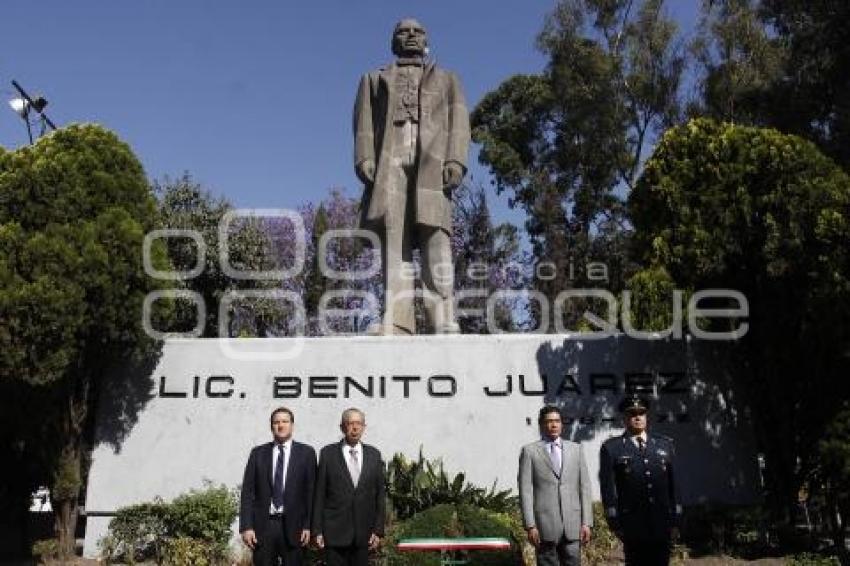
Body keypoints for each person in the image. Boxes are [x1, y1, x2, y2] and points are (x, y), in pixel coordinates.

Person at [353, 17, 470, 335]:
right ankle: (397, 320)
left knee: (436, 239)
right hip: (390, 161)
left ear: (426, 40)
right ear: (393, 41)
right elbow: (363, 122)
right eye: (403, 32)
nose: (411, 36)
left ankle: (442, 317)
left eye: (418, 32)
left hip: (431, 163)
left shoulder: (447, 79)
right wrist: (364, 156)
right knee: (395, 243)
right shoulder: (373, 79)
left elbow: (459, 122)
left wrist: (456, 160)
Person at [599, 395, 683, 566]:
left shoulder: (664, 444)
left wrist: (676, 519)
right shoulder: (612, 448)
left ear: (646, 416)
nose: (637, 417)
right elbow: (608, 487)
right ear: (624, 418)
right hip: (632, 523)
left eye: (641, 413)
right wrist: (614, 521)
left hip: (662, 520)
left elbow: (674, 485)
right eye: (632, 414)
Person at [239, 407, 317, 566]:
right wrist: (246, 526)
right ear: (271, 426)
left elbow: (311, 493)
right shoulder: (258, 453)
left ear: (292, 425)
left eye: (285, 422)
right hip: (264, 526)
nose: (280, 425)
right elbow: (248, 492)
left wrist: (309, 526)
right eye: (276, 422)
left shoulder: (307, 453)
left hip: (295, 528)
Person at [518, 406, 593, 566]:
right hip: (544, 525)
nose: (553, 425)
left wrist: (587, 522)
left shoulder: (576, 449)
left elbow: (584, 487)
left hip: (573, 524)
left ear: (561, 424)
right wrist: (530, 525)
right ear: (541, 425)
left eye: (557, 421)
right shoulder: (530, 451)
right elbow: (525, 491)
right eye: (549, 421)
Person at [312, 408, 386, 566]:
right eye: (350, 423)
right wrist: (317, 530)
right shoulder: (327, 454)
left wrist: (378, 530)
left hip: (363, 533)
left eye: (359, 423)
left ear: (364, 427)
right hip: (334, 532)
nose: (355, 427)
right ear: (342, 427)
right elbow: (319, 494)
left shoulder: (374, 455)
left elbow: (380, 495)